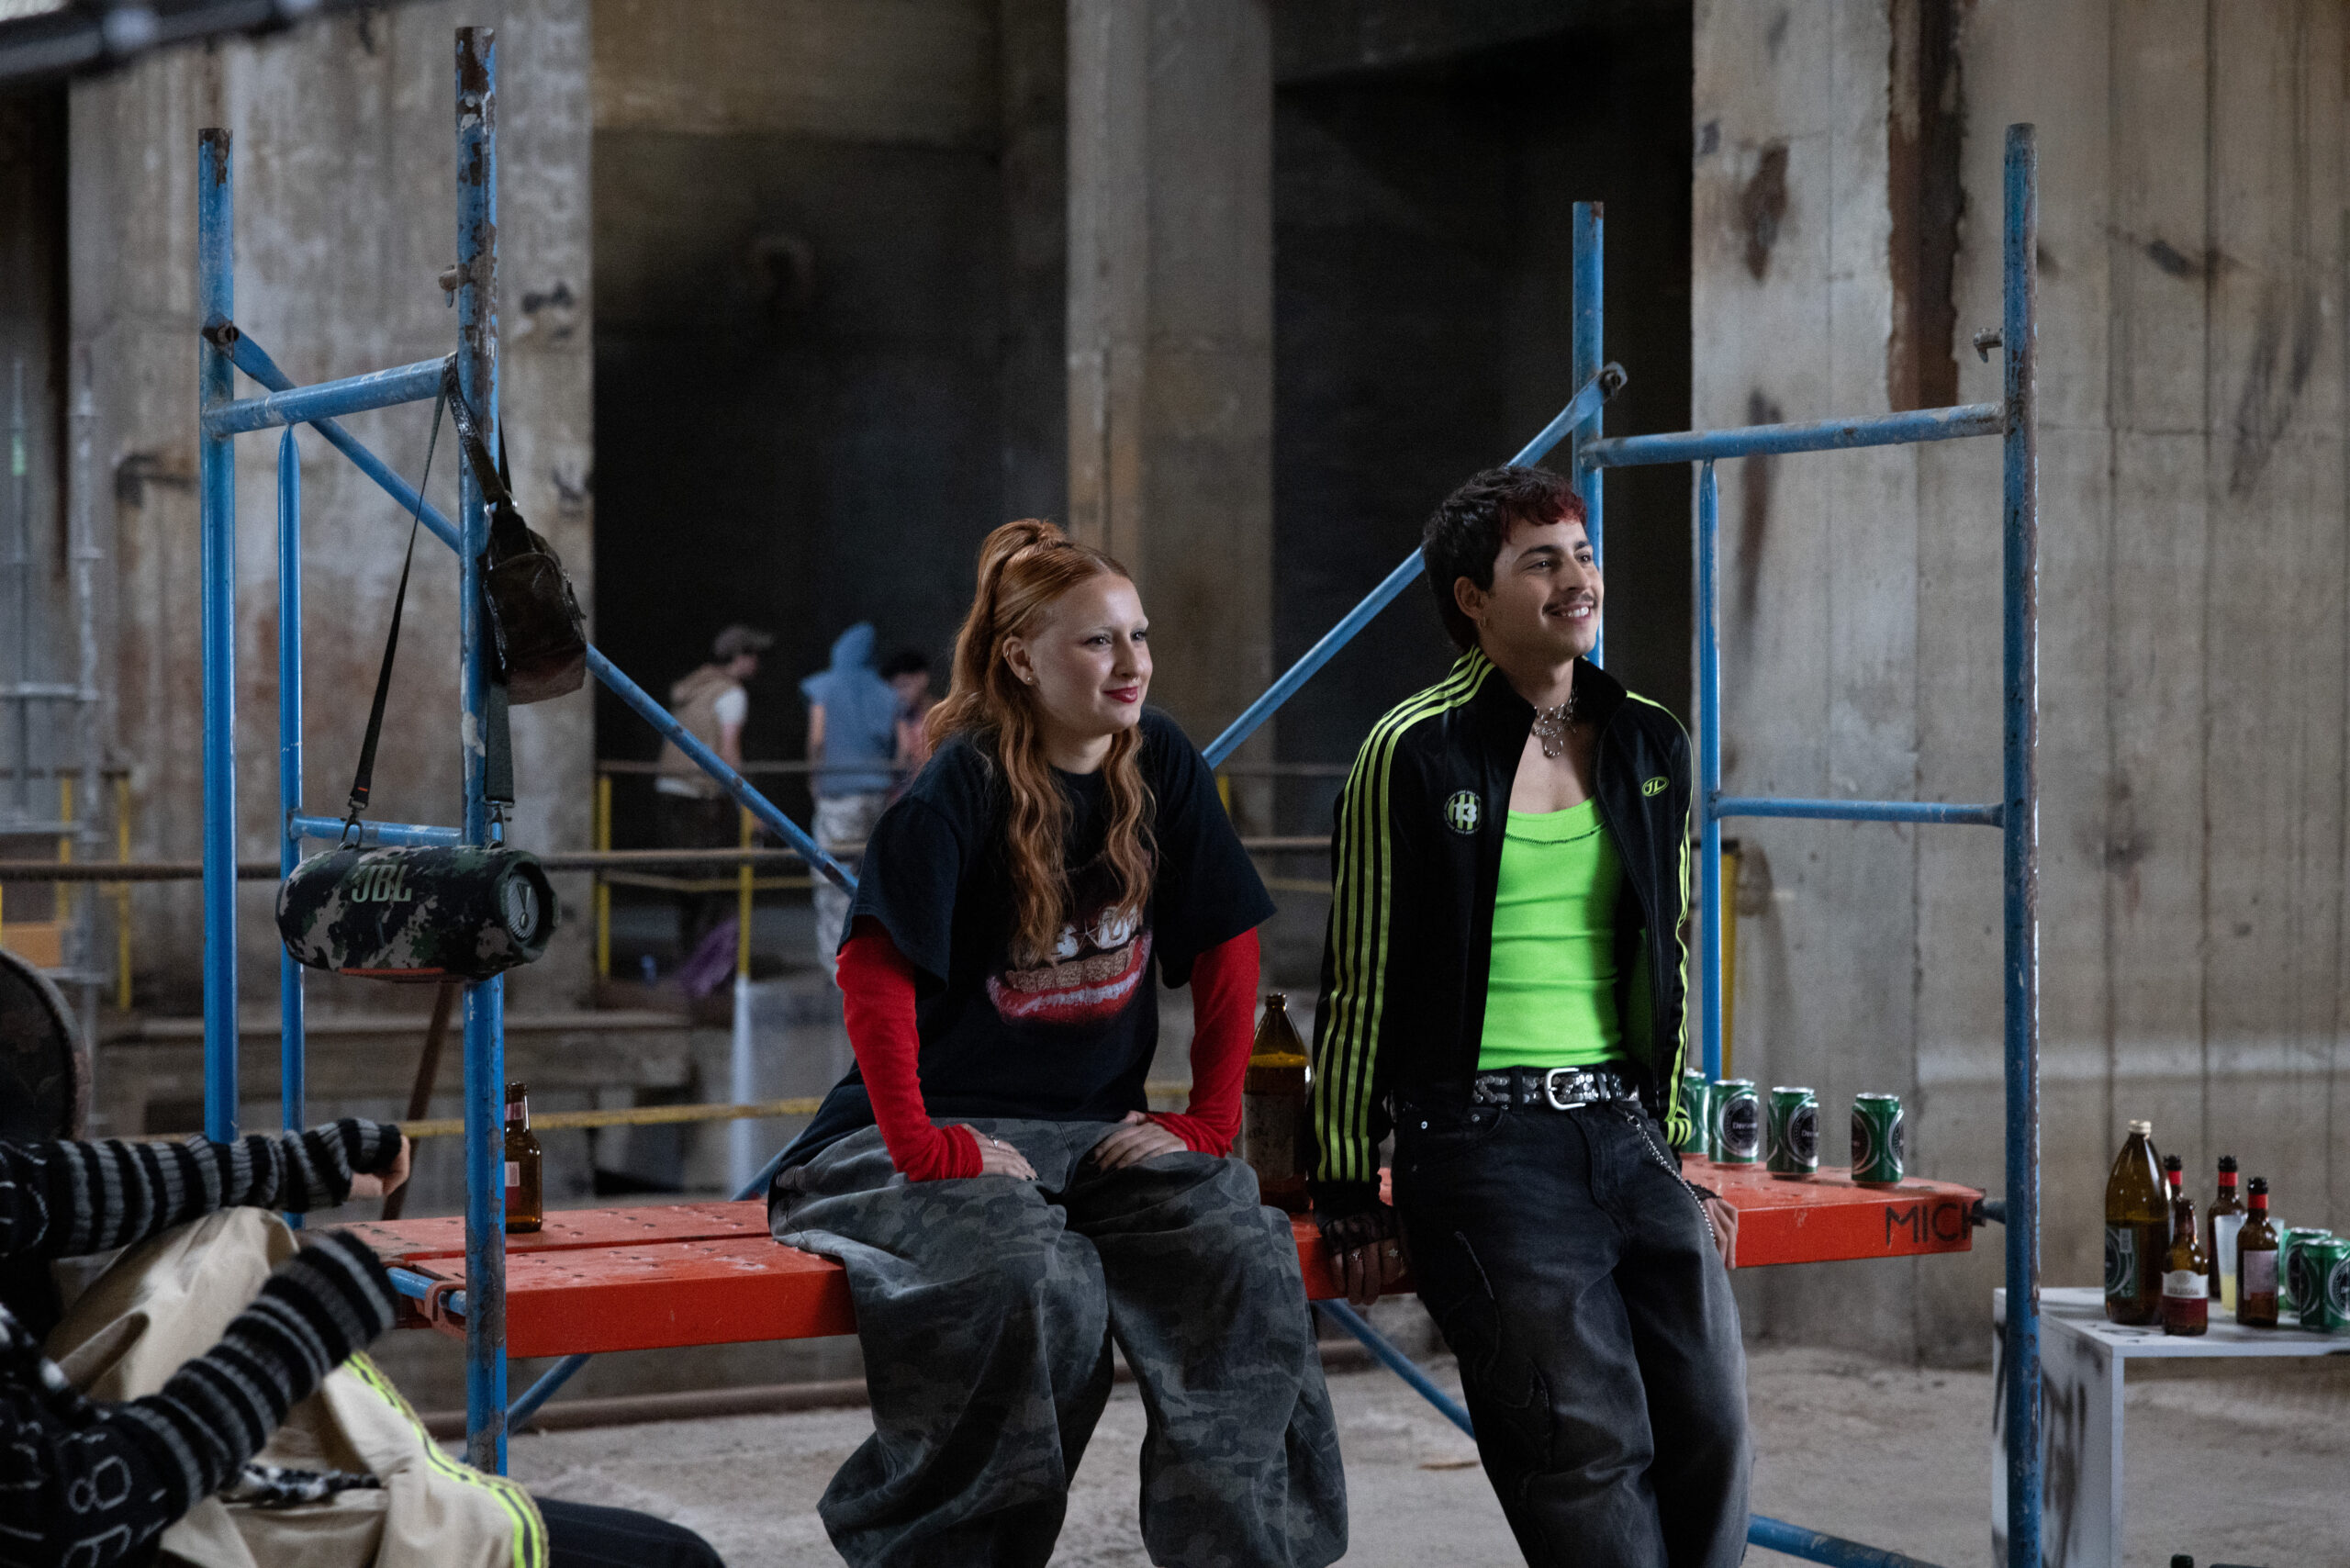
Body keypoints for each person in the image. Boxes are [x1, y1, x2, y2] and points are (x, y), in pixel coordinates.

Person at [769, 519, 1346, 1568]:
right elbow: (872, 972)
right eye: (1097, 641)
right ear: (1022, 659)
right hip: (906, 1141)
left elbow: (1225, 944)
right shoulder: (959, 785)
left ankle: (1244, 1554)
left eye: (1138, 635)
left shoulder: (1160, 759)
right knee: (1036, 1277)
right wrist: (922, 1145)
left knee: (1241, 1244)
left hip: (1086, 1137)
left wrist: (1208, 1122)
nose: (1131, 662)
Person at [1308, 466, 1749, 1568]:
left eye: (1582, 554)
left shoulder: (1648, 738)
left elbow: (1667, 955)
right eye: (1540, 561)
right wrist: (1347, 1181)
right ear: (1472, 598)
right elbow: (1360, 974)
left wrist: (1677, 1146)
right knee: (1582, 1444)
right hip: (1482, 1139)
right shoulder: (1413, 748)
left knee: (1709, 1431)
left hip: (1625, 1129)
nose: (1576, 578)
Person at [0, 1119, 725, 1568]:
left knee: (222, 1242)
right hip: (123, 1523)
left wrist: (285, 1165)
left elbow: (34, 1190)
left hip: (97, 1454)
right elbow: (61, 1513)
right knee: (670, 1561)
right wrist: (290, 1338)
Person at [656, 623, 773, 953]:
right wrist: (751, 808)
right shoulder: (731, 694)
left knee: (686, 881)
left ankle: (689, 958)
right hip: (700, 794)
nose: (758, 662)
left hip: (669, 788)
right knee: (711, 880)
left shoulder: (695, 686)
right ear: (739, 657)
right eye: (754, 654)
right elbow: (729, 753)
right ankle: (707, 965)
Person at [800, 622, 901, 980]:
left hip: (838, 797)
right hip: (877, 799)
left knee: (831, 880)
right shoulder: (888, 694)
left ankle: (838, 967)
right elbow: (902, 749)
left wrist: (814, 779)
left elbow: (817, 739)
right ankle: (873, 959)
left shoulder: (825, 687)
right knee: (873, 881)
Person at [878, 645, 935, 781]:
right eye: (894, 689)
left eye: (904, 685)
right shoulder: (899, 718)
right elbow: (902, 760)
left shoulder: (941, 715)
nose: (899, 694)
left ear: (922, 678)